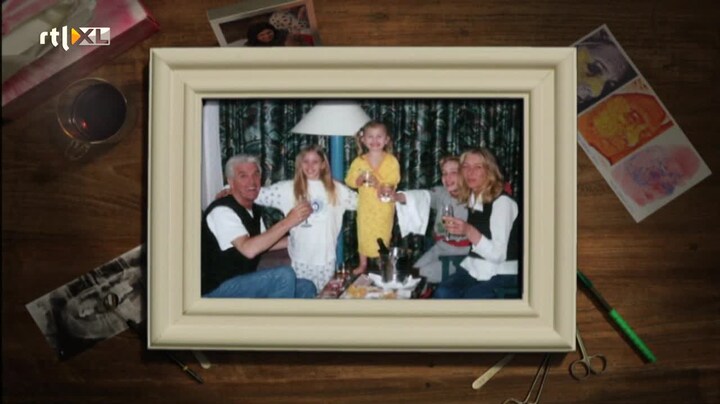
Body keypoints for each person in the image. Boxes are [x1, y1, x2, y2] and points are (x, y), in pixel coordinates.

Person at [201, 154, 317, 298]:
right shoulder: (222, 211)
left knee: (306, 286)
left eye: (256, 175)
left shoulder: (253, 209)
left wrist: (298, 239)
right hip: (217, 288)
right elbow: (249, 249)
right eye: (243, 176)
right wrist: (289, 221)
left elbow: (263, 243)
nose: (252, 181)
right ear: (231, 182)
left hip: (244, 281)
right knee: (283, 276)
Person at [254, 145, 357, 291]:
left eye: (315, 162)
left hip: (326, 258)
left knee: (324, 297)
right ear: (300, 164)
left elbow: (363, 203)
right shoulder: (287, 189)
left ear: (323, 164)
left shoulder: (336, 189)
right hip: (300, 258)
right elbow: (256, 194)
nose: (310, 166)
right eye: (305, 161)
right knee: (302, 294)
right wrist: (229, 189)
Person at [433, 148, 521, 299]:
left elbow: (499, 255)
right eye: (466, 166)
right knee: (443, 292)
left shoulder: (502, 203)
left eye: (478, 167)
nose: (470, 172)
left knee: (472, 298)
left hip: (501, 272)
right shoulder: (474, 199)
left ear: (490, 171)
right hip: (475, 267)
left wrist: (468, 231)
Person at [394, 156, 470, 283]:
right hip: (441, 247)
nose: (447, 177)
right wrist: (397, 196)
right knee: (411, 273)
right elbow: (422, 197)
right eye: (444, 173)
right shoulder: (442, 193)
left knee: (416, 275)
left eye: (453, 172)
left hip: (462, 255)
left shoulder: (474, 200)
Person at [344, 121, 400, 274]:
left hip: (383, 207)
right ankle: (362, 263)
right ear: (363, 139)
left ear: (386, 139)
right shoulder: (359, 161)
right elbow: (349, 180)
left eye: (379, 136)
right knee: (363, 234)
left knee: (383, 235)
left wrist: (378, 183)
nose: (375, 140)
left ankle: (383, 263)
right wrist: (358, 180)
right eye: (370, 136)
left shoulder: (391, 161)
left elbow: (393, 182)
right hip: (366, 207)